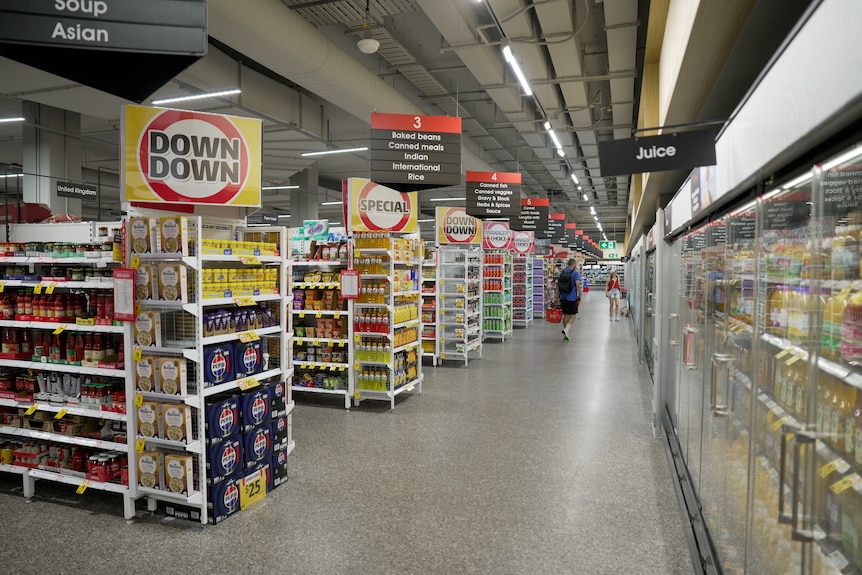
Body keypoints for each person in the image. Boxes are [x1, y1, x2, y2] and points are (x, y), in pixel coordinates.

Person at [558, 258, 582, 340]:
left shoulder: (562, 272)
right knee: (573, 316)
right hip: (572, 298)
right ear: (574, 264)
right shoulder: (575, 273)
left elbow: (558, 285)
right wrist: (580, 295)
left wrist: (556, 297)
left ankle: (566, 334)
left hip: (562, 297)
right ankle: (566, 329)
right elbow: (578, 285)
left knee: (565, 315)